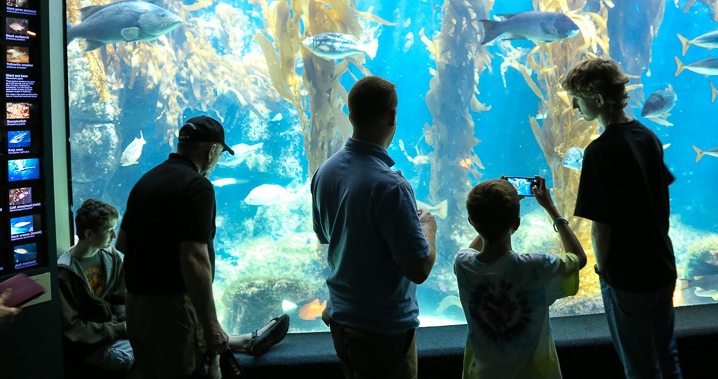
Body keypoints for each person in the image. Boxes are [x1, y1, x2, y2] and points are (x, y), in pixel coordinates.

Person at [117, 115, 289, 378]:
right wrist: (211, 326)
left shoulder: (146, 181)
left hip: (137, 308)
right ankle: (243, 341)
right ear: (211, 151)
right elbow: (193, 258)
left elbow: (123, 243)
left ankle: (244, 340)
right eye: (219, 153)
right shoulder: (197, 186)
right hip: (173, 309)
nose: (217, 160)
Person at [563, 58, 682, 378]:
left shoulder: (599, 151)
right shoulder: (648, 137)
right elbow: (661, 205)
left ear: (597, 98)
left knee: (639, 367)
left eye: (577, 98)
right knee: (667, 357)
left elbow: (600, 228)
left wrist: (604, 268)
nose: (574, 106)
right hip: (661, 266)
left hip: (627, 276)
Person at [311, 75, 437, 379]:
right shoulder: (391, 186)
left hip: (342, 321)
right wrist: (428, 228)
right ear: (392, 116)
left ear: (350, 115)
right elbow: (418, 269)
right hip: (384, 331)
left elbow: (326, 236)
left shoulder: (325, 172)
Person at [454, 177, 586, 378]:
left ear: (471, 222)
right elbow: (578, 258)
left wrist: (489, 215)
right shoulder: (536, 267)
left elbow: (474, 248)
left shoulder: (462, 264)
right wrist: (551, 208)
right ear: (516, 223)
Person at [58, 198, 134, 374]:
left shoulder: (111, 257)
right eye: (109, 231)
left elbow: (119, 299)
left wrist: (127, 320)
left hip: (112, 331)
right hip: (87, 345)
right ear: (89, 234)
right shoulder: (65, 273)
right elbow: (72, 329)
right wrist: (119, 330)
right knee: (132, 357)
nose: (114, 236)